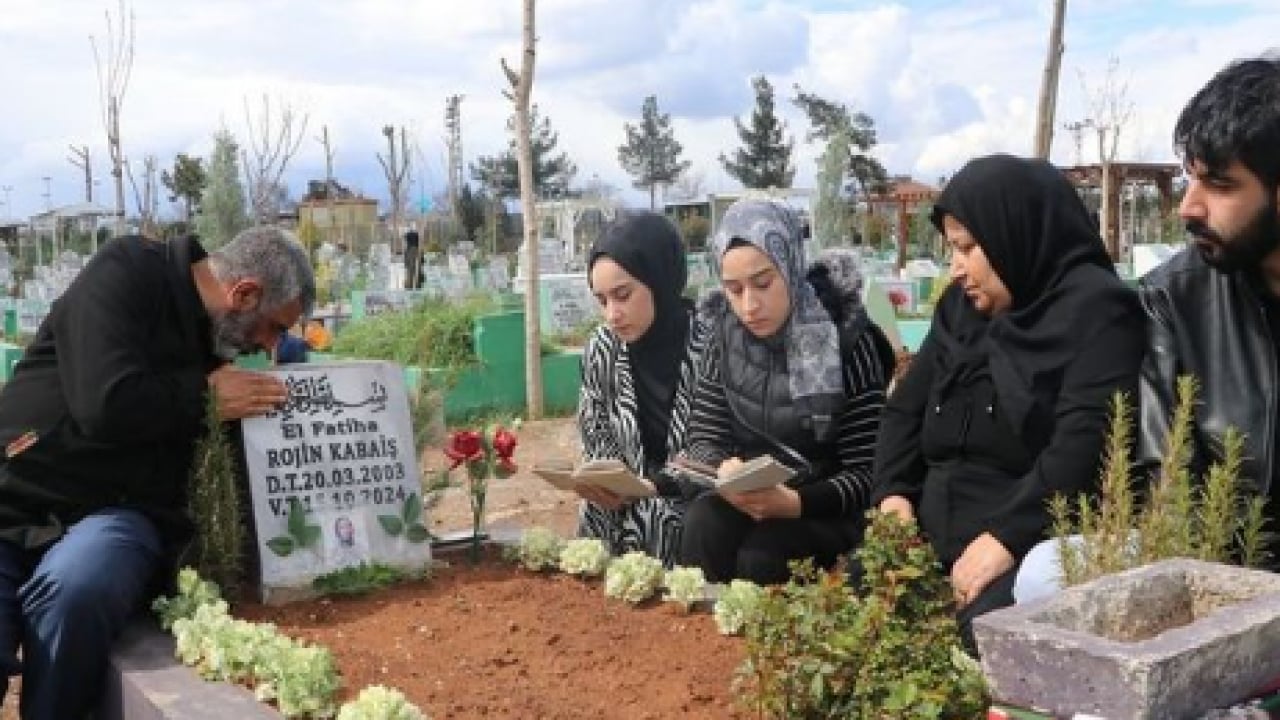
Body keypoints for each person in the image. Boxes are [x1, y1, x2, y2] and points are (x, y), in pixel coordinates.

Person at [0, 226, 314, 718]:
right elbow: (104, 404)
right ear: (244, 294)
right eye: (274, 328)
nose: (268, 349)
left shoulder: (223, 343)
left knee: (77, 592)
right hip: (11, 497)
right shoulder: (129, 271)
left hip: (111, 516)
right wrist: (202, 399)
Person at [1015, 55, 1280, 602]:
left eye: (1221, 185)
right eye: (1189, 179)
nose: (1188, 207)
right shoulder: (1176, 297)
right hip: (1224, 565)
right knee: (1046, 573)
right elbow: (1169, 486)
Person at [871, 154, 1144, 649]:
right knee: (853, 624)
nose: (955, 269)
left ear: (1012, 236)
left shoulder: (1098, 313)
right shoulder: (961, 310)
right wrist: (892, 498)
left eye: (968, 248)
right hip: (929, 540)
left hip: (1022, 548)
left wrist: (1005, 539)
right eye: (952, 249)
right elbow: (905, 410)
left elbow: (1082, 446)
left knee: (978, 646)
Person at [677, 199, 894, 584]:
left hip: (824, 505)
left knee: (765, 554)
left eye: (763, 283)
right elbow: (703, 438)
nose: (749, 305)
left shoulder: (847, 337)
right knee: (702, 525)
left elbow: (868, 471)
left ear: (790, 265)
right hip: (749, 496)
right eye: (733, 289)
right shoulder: (722, 336)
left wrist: (796, 503)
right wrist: (724, 471)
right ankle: (701, 640)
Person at [577, 212, 709, 566]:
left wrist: (656, 486)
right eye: (602, 301)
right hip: (625, 495)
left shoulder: (710, 344)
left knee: (655, 518)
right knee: (595, 511)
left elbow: (714, 445)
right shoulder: (603, 348)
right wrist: (607, 482)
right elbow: (596, 430)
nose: (612, 314)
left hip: (694, 495)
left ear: (659, 280)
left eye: (622, 295)